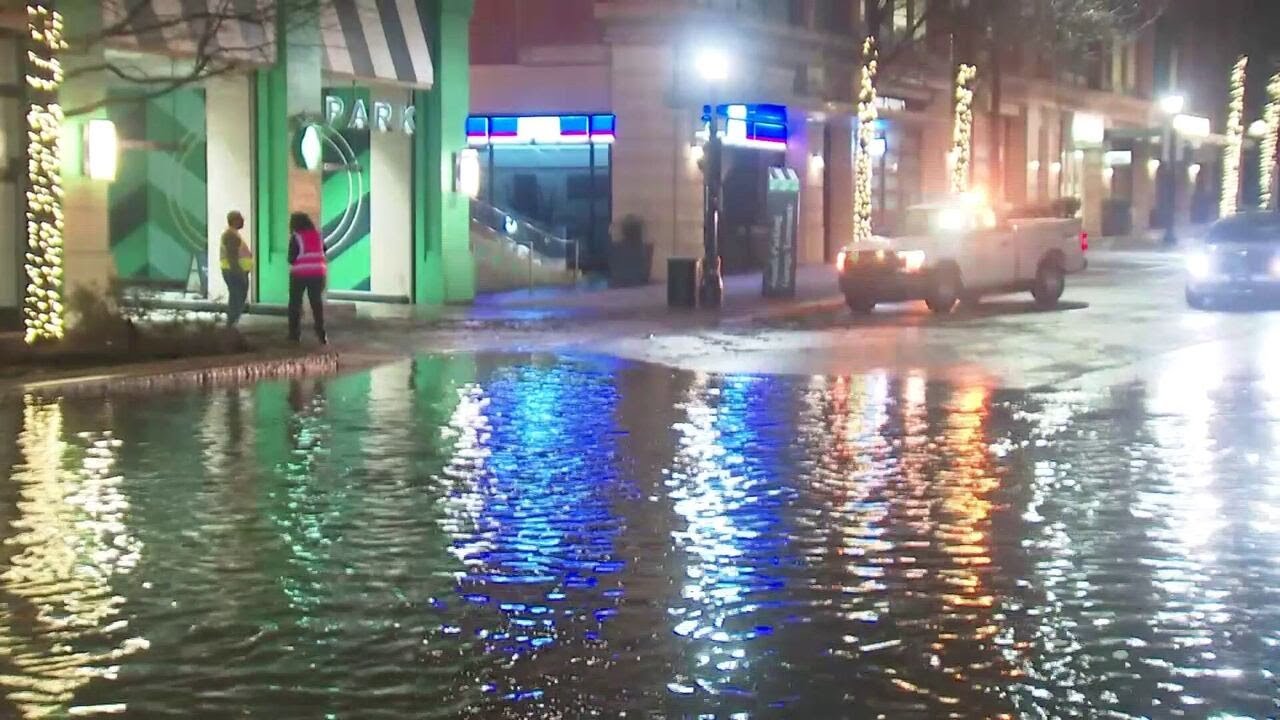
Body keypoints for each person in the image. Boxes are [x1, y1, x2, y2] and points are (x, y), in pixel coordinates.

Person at [287, 212, 328, 345]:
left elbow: (291, 258)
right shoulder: (318, 236)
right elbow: (324, 250)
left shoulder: (296, 237)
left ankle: (294, 334)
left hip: (300, 274)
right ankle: (321, 332)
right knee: (316, 303)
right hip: (319, 273)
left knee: (295, 303)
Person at [220, 211, 253, 327]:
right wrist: (240, 274)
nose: (243, 221)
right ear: (234, 221)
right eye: (240, 219)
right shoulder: (231, 235)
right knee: (236, 298)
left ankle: (232, 323)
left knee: (236, 297)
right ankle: (231, 324)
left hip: (234, 271)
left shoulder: (233, 234)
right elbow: (232, 257)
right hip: (234, 272)